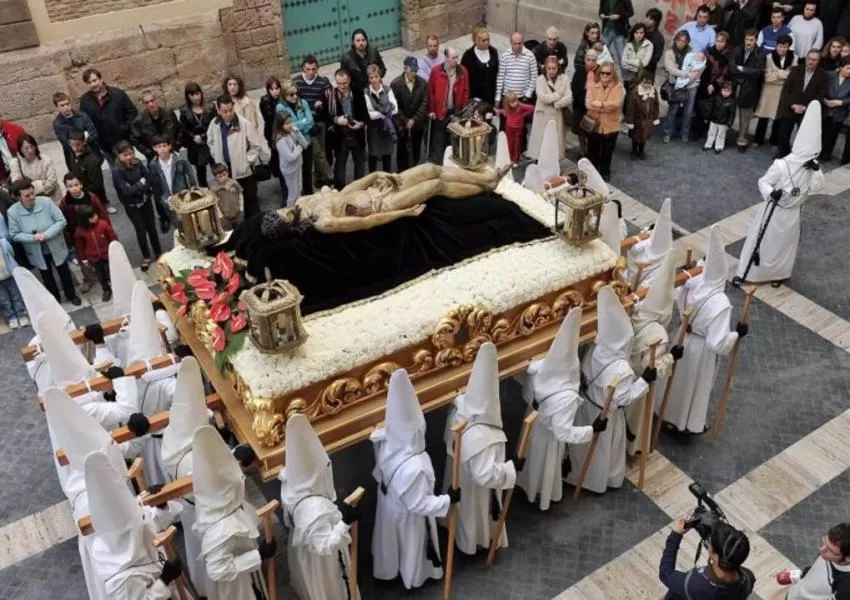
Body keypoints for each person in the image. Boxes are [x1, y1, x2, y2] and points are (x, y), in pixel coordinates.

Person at [371, 369, 458, 588]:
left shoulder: (386, 443)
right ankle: (414, 579)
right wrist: (448, 500)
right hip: (410, 517)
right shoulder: (415, 466)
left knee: (391, 544)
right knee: (412, 547)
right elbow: (419, 504)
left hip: (390, 506)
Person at [567, 286, 652, 494]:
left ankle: (578, 476)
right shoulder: (621, 369)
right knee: (603, 451)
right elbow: (624, 399)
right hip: (606, 415)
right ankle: (600, 481)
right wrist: (644, 382)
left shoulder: (595, 349)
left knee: (583, 451)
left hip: (587, 406)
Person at [516, 308, 600, 510]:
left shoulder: (538, 371)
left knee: (530, 458)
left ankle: (527, 486)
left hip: (533, 422)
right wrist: (592, 430)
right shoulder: (567, 396)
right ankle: (541, 494)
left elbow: (526, 392)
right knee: (545, 464)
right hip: (550, 437)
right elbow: (563, 432)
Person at [275, 163, 508, 234]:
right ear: (290, 224)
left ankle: (485, 178)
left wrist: (376, 175)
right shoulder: (323, 221)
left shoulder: (303, 201)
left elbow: (347, 189)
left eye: (279, 211)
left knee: (431, 169)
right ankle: (485, 186)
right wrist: (404, 213)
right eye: (283, 215)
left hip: (378, 187)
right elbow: (367, 222)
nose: (283, 210)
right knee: (436, 185)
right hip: (384, 204)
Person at [665, 226, 744, 434]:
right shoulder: (720, 302)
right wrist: (736, 334)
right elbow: (718, 344)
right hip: (701, 349)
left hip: (682, 336)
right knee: (694, 384)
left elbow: (675, 295)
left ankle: (666, 413)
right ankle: (686, 422)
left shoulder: (692, 280)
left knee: (676, 381)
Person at [735, 101, 823, 286]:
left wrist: (815, 171)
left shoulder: (812, 168)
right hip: (775, 210)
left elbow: (817, 188)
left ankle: (778, 273)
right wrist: (770, 193)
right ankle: (749, 273)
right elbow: (763, 181)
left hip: (793, 213)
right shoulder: (781, 165)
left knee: (784, 246)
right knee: (763, 242)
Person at [442, 342, 517, 555]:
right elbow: (485, 476)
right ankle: (475, 544)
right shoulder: (484, 436)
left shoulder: (458, 414)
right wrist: (511, 470)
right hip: (477, 488)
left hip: (460, 478)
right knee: (475, 515)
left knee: (464, 512)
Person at [280, 412, 358, 600]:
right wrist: (345, 523)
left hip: (306, 552)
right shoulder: (315, 508)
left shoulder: (291, 482)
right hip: (323, 563)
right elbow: (324, 546)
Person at [193, 425, 274, 599]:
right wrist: (257, 556)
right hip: (236, 587)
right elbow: (217, 570)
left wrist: (237, 455)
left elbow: (221, 464)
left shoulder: (213, 497)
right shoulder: (222, 528)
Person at [159, 357, 211, 597]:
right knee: (206, 552)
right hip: (203, 511)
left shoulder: (173, 437)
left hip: (190, 508)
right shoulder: (190, 458)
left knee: (195, 547)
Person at [625, 255, 676, 457]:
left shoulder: (634, 313)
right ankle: (635, 447)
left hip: (626, 372)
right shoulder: (658, 333)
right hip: (640, 381)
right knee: (637, 415)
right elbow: (653, 367)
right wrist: (670, 358)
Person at [7, 178, 80, 305]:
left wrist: (46, 235)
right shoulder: (13, 212)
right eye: (27, 195)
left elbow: (61, 221)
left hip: (56, 245)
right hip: (36, 251)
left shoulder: (46, 202)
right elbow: (14, 234)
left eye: (32, 193)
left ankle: (71, 295)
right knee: (47, 277)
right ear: (19, 197)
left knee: (64, 272)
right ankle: (54, 299)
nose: (32, 197)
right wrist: (33, 238)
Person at [660, 514, 755, 599]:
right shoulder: (748, 579)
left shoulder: (691, 584)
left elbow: (665, 573)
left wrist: (676, 534)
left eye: (709, 544)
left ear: (715, 556)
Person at [207, 94, 266, 219]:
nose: (228, 114)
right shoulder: (214, 124)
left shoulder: (244, 124)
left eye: (230, 110)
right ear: (218, 110)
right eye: (224, 111)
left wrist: (246, 161)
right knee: (232, 204)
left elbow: (256, 146)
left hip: (242, 172)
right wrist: (215, 154)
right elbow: (210, 141)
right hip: (225, 171)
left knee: (250, 202)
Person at [111, 141, 164, 271]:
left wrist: (137, 186)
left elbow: (148, 179)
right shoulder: (117, 171)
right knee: (140, 230)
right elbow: (125, 191)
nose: (129, 157)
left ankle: (158, 253)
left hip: (145, 200)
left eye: (131, 154)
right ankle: (146, 255)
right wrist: (140, 184)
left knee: (152, 228)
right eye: (125, 155)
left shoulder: (138, 163)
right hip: (132, 205)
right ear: (118, 156)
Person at [774, 49, 828, 157]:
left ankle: (799, 156)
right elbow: (786, 90)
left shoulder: (822, 75)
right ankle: (783, 153)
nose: (811, 62)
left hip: (807, 110)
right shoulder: (795, 70)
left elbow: (821, 94)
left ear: (818, 61)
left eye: (814, 60)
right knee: (784, 133)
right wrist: (792, 105)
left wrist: (806, 107)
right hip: (790, 107)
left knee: (804, 135)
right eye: (809, 59)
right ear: (806, 58)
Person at [78, 68, 137, 166]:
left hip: (123, 141)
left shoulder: (118, 94)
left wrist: (124, 128)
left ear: (101, 79)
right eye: (89, 82)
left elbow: (132, 113)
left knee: (131, 168)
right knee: (115, 172)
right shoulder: (85, 100)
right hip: (105, 144)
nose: (93, 84)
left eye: (94, 80)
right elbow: (84, 121)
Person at [778, 523, 850, 600]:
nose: (821, 549)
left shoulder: (846, 586)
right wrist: (797, 576)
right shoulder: (827, 553)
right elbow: (814, 569)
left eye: (830, 550)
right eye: (824, 542)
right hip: (795, 593)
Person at [293, 56, 335, 187]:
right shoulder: (296, 83)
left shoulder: (323, 83)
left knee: (320, 151)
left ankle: (320, 178)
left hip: (319, 123)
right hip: (303, 124)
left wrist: (321, 106)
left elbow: (330, 105)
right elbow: (294, 103)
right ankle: (326, 176)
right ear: (303, 69)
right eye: (308, 69)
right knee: (313, 152)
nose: (311, 72)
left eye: (313, 69)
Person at [325, 69, 368, 188]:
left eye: (344, 83)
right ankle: (341, 192)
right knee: (340, 167)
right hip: (340, 137)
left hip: (357, 134)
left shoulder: (358, 92)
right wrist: (336, 120)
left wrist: (361, 124)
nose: (342, 86)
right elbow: (324, 115)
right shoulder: (330, 95)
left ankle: (359, 189)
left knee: (359, 165)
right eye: (339, 83)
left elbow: (365, 114)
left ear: (349, 80)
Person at [428, 48, 470, 163]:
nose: (456, 60)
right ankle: (438, 164)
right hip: (440, 112)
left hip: (455, 112)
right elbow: (431, 92)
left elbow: (466, 91)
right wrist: (431, 110)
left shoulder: (462, 71)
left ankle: (451, 163)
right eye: (454, 58)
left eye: (457, 57)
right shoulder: (436, 71)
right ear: (446, 58)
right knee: (439, 140)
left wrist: (463, 110)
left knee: (453, 140)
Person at [585, 62, 625, 181]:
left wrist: (601, 104)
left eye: (608, 73)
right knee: (593, 150)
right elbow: (588, 104)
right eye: (602, 72)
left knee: (607, 152)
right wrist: (607, 107)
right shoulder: (592, 85)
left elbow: (616, 104)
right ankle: (593, 172)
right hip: (594, 124)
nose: (605, 75)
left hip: (611, 125)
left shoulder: (619, 87)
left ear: (613, 74)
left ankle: (605, 172)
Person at [753, 34, 796, 147]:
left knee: (779, 116)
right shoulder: (769, 57)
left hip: (783, 91)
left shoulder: (794, 58)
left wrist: (776, 74)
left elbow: (793, 77)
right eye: (780, 46)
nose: (782, 49)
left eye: (785, 47)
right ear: (777, 45)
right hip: (768, 91)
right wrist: (783, 75)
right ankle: (758, 139)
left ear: (789, 47)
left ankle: (774, 140)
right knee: (764, 116)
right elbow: (766, 77)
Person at [728, 29, 767, 151]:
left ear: (756, 40)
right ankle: (722, 136)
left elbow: (758, 72)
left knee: (745, 116)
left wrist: (742, 69)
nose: (748, 42)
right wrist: (744, 71)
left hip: (749, 88)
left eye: (751, 40)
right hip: (735, 85)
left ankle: (742, 141)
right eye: (746, 39)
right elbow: (732, 68)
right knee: (728, 110)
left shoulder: (760, 53)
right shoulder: (737, 50)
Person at [529, 56, 572, 161]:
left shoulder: (565, 79)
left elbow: (569, 97)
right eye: (549, 68)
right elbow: (543, 97)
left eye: (554, 68)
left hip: (557, 115)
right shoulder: (540, 79)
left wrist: (557, 104)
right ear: (545, 68)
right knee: (541, 142)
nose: (551, 71)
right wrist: (558, 95)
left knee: (554, 143)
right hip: (542, 116)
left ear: (558, 68)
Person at [148, 134, 197, 226]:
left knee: (190, 222)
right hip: (168, 199)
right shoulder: (153, 165)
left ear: (169, 146)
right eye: (159, 147)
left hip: (183, 196)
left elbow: (190, 175)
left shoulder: (180, 160)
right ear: (154, 148)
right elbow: (156, 186)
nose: (162, 149)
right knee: (177, 223)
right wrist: (163, 199)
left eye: (164, 146)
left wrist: (192, 191)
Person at [277, 81, 316, 195]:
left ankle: (309, 194)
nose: (295, 97)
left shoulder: (303, 102)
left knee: (308, 171)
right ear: (284, 95)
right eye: (291, 95)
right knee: (297, 175)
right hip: (293, 145)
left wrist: (297, 125)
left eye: (296, 93)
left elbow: (310, 122)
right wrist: (302, 123)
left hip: (306, 142)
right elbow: (288, 127)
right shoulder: (280, 107)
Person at [392, 56, 429, 171]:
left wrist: (414, 119)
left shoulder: (423, 83)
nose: (414, 72)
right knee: (402, 149)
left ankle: (415, 168)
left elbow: (425, 103)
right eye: (411, 70)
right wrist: (405, 120)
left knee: (416, 147)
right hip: (402, 124)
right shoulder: (396, 84)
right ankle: (402, 171)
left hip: (417, 124)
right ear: (404, 68)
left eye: (415, 70)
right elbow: (395, 105)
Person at [695, 31, 733, 140]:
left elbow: (725, 72)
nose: (719, 44)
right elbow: (703, 66)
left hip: (719, 85)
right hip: (704, 82)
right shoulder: (709, 52)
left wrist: (713, 84)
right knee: (700, 105)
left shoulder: (729, 55)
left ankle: (711, 133)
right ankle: (698, 128)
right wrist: (707, 83)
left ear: (726, 43)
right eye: (717, 41)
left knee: (715, 109)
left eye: (722, 41)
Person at [74, 204, 117, 302]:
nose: (95, 217)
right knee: (100, 275)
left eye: (95, 214)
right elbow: (80, 246)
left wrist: (115, 249)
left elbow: (112, 237)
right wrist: (84, 259)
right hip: (94, 258)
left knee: (112, 271)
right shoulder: (80, 231)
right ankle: (106, 289)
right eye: (91, 217)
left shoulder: (103, 224)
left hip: (108, 254)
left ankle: (117, 286)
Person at [663, 31, 699, 144]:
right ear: (675, 40)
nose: (681, 43)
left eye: (684, 41)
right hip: (676, 84)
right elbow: (670, 69)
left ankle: (685, 133)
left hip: (690, 84)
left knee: (688, 111)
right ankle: (667, 132)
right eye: (679, 40)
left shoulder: (692, 53)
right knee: (673, 110)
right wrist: (686, 74)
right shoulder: (670, 52)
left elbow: (697, 66)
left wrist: (692, 76)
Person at [178, 82, 217, 189]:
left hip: (210, 141)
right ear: (188, 96)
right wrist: (193, 137)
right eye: (192, 95)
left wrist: (203, 137)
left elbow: (215, 124)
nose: (196, 97)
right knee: (200, 172)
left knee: (217, 167)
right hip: (195, 145)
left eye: (197, 94)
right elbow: (184, 128)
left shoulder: (210, 107)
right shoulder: (184, 110)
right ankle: (206, 194)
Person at [364, 64, 399, 173]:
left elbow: (395, 109)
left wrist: (380, 112)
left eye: (376, 76)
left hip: (387, 128)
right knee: (373, 154)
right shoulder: (366, 92)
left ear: (380, 77)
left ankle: (387, 176)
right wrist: (384, 113)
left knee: (387, 154)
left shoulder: (387, 89)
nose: (374, 80)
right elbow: (369, 113)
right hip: (373, 129)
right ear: (368, 79)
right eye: (371, 77)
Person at [52, 92, 99, 170]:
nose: (66, 107)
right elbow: (66, 142)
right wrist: (84, 136)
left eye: (67, 104)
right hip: (73, 156)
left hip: (91, 151)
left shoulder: (82, 116)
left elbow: (93, 133)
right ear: (57, 107)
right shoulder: (58, 124)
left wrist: (82, 140)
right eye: (62, 105)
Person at [130, 90, 180, 163]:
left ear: (157, 100)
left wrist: (176, 145)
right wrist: (149, 152)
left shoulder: (169, 113)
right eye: (147, 102)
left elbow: (178, 129)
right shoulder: (139, 121)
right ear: (144, 105)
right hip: (154, 157)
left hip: (172, 152)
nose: (151, 104)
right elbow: (136, 141)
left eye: (152, 100)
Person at [11, 134, 60, 203]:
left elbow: (52, 182)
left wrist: (28, 187)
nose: (30, 150)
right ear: (20, 150)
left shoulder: (46, 160)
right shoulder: (15, 163)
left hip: (50, 196)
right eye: (26, 148)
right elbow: (17, 185)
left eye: (32, 147)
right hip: (29, 200)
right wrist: (40, 183)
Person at [274, 113, 310, 207]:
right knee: (293, 194)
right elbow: (290, 157)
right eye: (287, 123)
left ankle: (297, 210)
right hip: (289, 170)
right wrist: (299, 147)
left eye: (290, 122)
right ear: (280, 125)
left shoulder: (292, 132)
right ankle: (289, 211)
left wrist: (297, 132)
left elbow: (305, 144)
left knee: (299, 189)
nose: (290, 125)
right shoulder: (280, 140)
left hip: (298, 165)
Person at [462, 27, 501, 111]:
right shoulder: (468, 55)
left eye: (488, 40)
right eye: (483, 40)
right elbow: (464, 77)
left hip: (491, 95)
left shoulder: (493, 51)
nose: (487, 42)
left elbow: (497, 72)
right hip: (476, 97)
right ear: (476, 41)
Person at [624, 70, 661, 160]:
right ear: (641, 81)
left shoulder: (653, 92)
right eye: (645, 82)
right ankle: (633, 151)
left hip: (648, 119)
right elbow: (631, 108)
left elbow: (656, 105)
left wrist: (655, 117)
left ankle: (641, 150)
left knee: (644, 137)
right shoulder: (635, 92)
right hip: (637, 119)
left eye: (649, 83)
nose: (647, 85)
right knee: (635, 136)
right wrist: (630, 121)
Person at [67, 129, 108, 207]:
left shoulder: (92, 161)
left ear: (84, 142)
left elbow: (97, 185)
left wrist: (80, 189)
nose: (75, 148)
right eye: (72, 145)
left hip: (92, 196)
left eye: (78, 144)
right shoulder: (72, 153)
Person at [495, 32, 537, 107]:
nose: (517, 46)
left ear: (523, 42)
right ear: (510, 42)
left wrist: (528, 94)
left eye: (519, 43)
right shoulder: (505, 56)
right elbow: (500, 77)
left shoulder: (530, 56)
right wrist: (498, 97)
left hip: (523, 98)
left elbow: (534, 76)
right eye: (515, 43)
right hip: (507, 97)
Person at [0, 212, 27, 329]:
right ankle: (11, 316)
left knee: (15, 294)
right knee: (3, 298)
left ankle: (21, 313)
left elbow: (11, 253)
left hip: (8, 271)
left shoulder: (3, 243)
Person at [821, 57, 850, 162]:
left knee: (832, 135)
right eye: (848, 68)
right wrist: (824, 100)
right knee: (821, 132)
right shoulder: (830, 75)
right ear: (841, 67)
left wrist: (840, 102)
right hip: (824, 108)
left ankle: (826, 154)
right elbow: (820, 87)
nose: (849, 71)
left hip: (839, 112)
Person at [572, 48, 600, 155]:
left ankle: (592, 152)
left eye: (593, 60)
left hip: (594, 108)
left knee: (592, 132)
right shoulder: (579, 71)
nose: (591, 63)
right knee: (580, 131)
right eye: (588, 60)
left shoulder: (601, 72)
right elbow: (574, 88)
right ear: (585, 59)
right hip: (580, 106)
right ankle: (582, 151)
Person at [497, 91, 536, 164]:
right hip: (509, 127)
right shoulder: (507, 108)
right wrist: (497, 111)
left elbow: (532, 108)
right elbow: (502, 111)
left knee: (516, 144)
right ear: (507, 103)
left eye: (515, 101)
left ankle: (515, 160)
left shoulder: (520, 106)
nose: (514, 104)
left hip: (518, 128)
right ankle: (509, 158)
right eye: (511, 102)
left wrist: (523, 115)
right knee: (509, 143)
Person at [260, 76, 284, 189]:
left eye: (277, 88)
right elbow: (268, 119)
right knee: (277, 155)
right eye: (272, 89)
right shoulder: (265, 101)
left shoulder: (283, 98)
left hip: (283, 131)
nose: (275, 91)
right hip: (272, 133)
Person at [599, 0, 634, 74]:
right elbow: (601, 9)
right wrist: (601, 14)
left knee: (622, 56)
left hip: (619, 32)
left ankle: (626, 79)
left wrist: (620, 16)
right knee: (600, 53)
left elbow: (631, 12)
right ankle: (599, 74)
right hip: (607, 30)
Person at [703, 81, 738, 152]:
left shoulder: (732, 102)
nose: (725, 93)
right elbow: (711, 108)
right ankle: (708, 145)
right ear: (721, 90)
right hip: (714, 120)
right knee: (711, 133)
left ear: (731, 92)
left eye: (727, 91)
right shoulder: (716, 98)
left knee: (721, 135)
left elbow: (732, 113)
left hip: (723, 122)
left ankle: (719, 147)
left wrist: (730, 123)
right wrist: (707, 117)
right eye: (724, 91)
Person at [210, 163, 244, 231]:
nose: (223, 178)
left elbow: (240, 194)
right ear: (215, 178)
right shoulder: (214, 189)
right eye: (220, 176)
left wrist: (241, 209)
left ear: (228, 173)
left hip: (238, 213)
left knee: (241, 229)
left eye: (224, 175)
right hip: (224, 217)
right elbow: (215, 204)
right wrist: (220, 215)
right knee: (228, 233)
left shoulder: (234, 183)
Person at [622, 23, 654, 88]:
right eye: (636, 33)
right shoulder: (628, 44)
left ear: (644, 33)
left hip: (641, 75)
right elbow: (623, 62)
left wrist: (629, 61)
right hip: (629, 75)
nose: (639, 35)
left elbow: (645, 63)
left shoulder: (648, 45)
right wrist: (638, 63)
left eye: (641, 33)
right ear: (633, 33)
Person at [644, 9, 666, 76]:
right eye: (646, 17)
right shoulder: (640, 31)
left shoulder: (658, 38)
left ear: (656, 22)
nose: (647, 20)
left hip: (647, 71)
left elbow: (656, 57)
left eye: (650, 19)